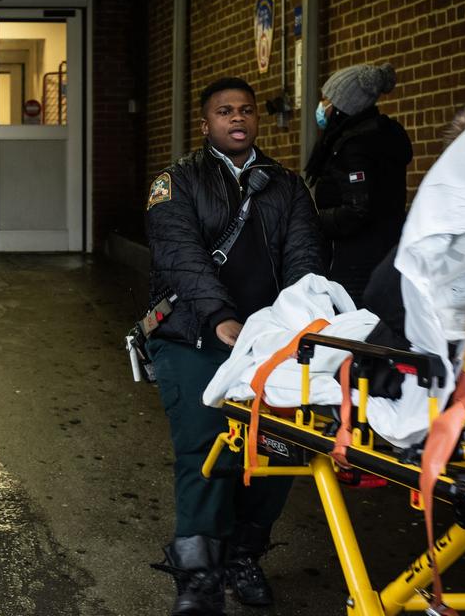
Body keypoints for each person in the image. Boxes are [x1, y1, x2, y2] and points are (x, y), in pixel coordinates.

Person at [144, 77, 324, 615]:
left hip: (269, 342)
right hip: (192, 335)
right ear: (207, 125)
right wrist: (222, 317)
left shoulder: (287, 186)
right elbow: (180, 255)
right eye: (225, 112)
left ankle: (244, 553)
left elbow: (305, 259)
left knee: (278, 446)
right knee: (205, 444)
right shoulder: (175, 182)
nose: (238, 119)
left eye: (245, 111)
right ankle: (199, 574)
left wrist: (299, 322)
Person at [303, 62, 411, 307]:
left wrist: (314, 221)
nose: (322, 105)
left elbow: (356, 209)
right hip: (383, 251)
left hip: (355, 261)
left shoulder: (355, 146)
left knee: (352, 325)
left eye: (327, 99)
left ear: (342, 106)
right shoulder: (379, 136)